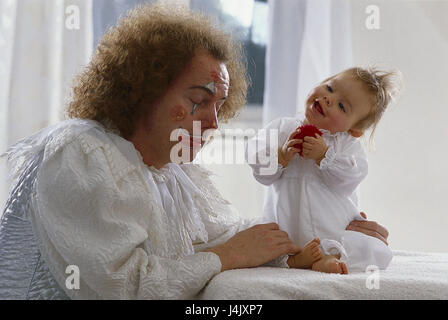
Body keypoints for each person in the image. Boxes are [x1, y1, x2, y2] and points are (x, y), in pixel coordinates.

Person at [0, 4, 389, 299]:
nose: (215, 124)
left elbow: (227, 232)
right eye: (199, 100)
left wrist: (329, 236)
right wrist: (228, 256)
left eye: (220, 105)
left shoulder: (172, 169)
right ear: (143, 89)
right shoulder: (82, 154)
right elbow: (124, 286)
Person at [247, 67, 401, 274]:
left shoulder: (346, 145)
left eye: (341, 106)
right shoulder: (282, 128)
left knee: (375, 249)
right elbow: (256, 159)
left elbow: (353, 175)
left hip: (331, 231)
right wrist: (279, 157)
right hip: (286, 225)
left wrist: (324, 156)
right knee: (261, 240)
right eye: (330, 88)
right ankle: (292, 260)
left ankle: (331, 256)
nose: (329, 99)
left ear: (354, 129)